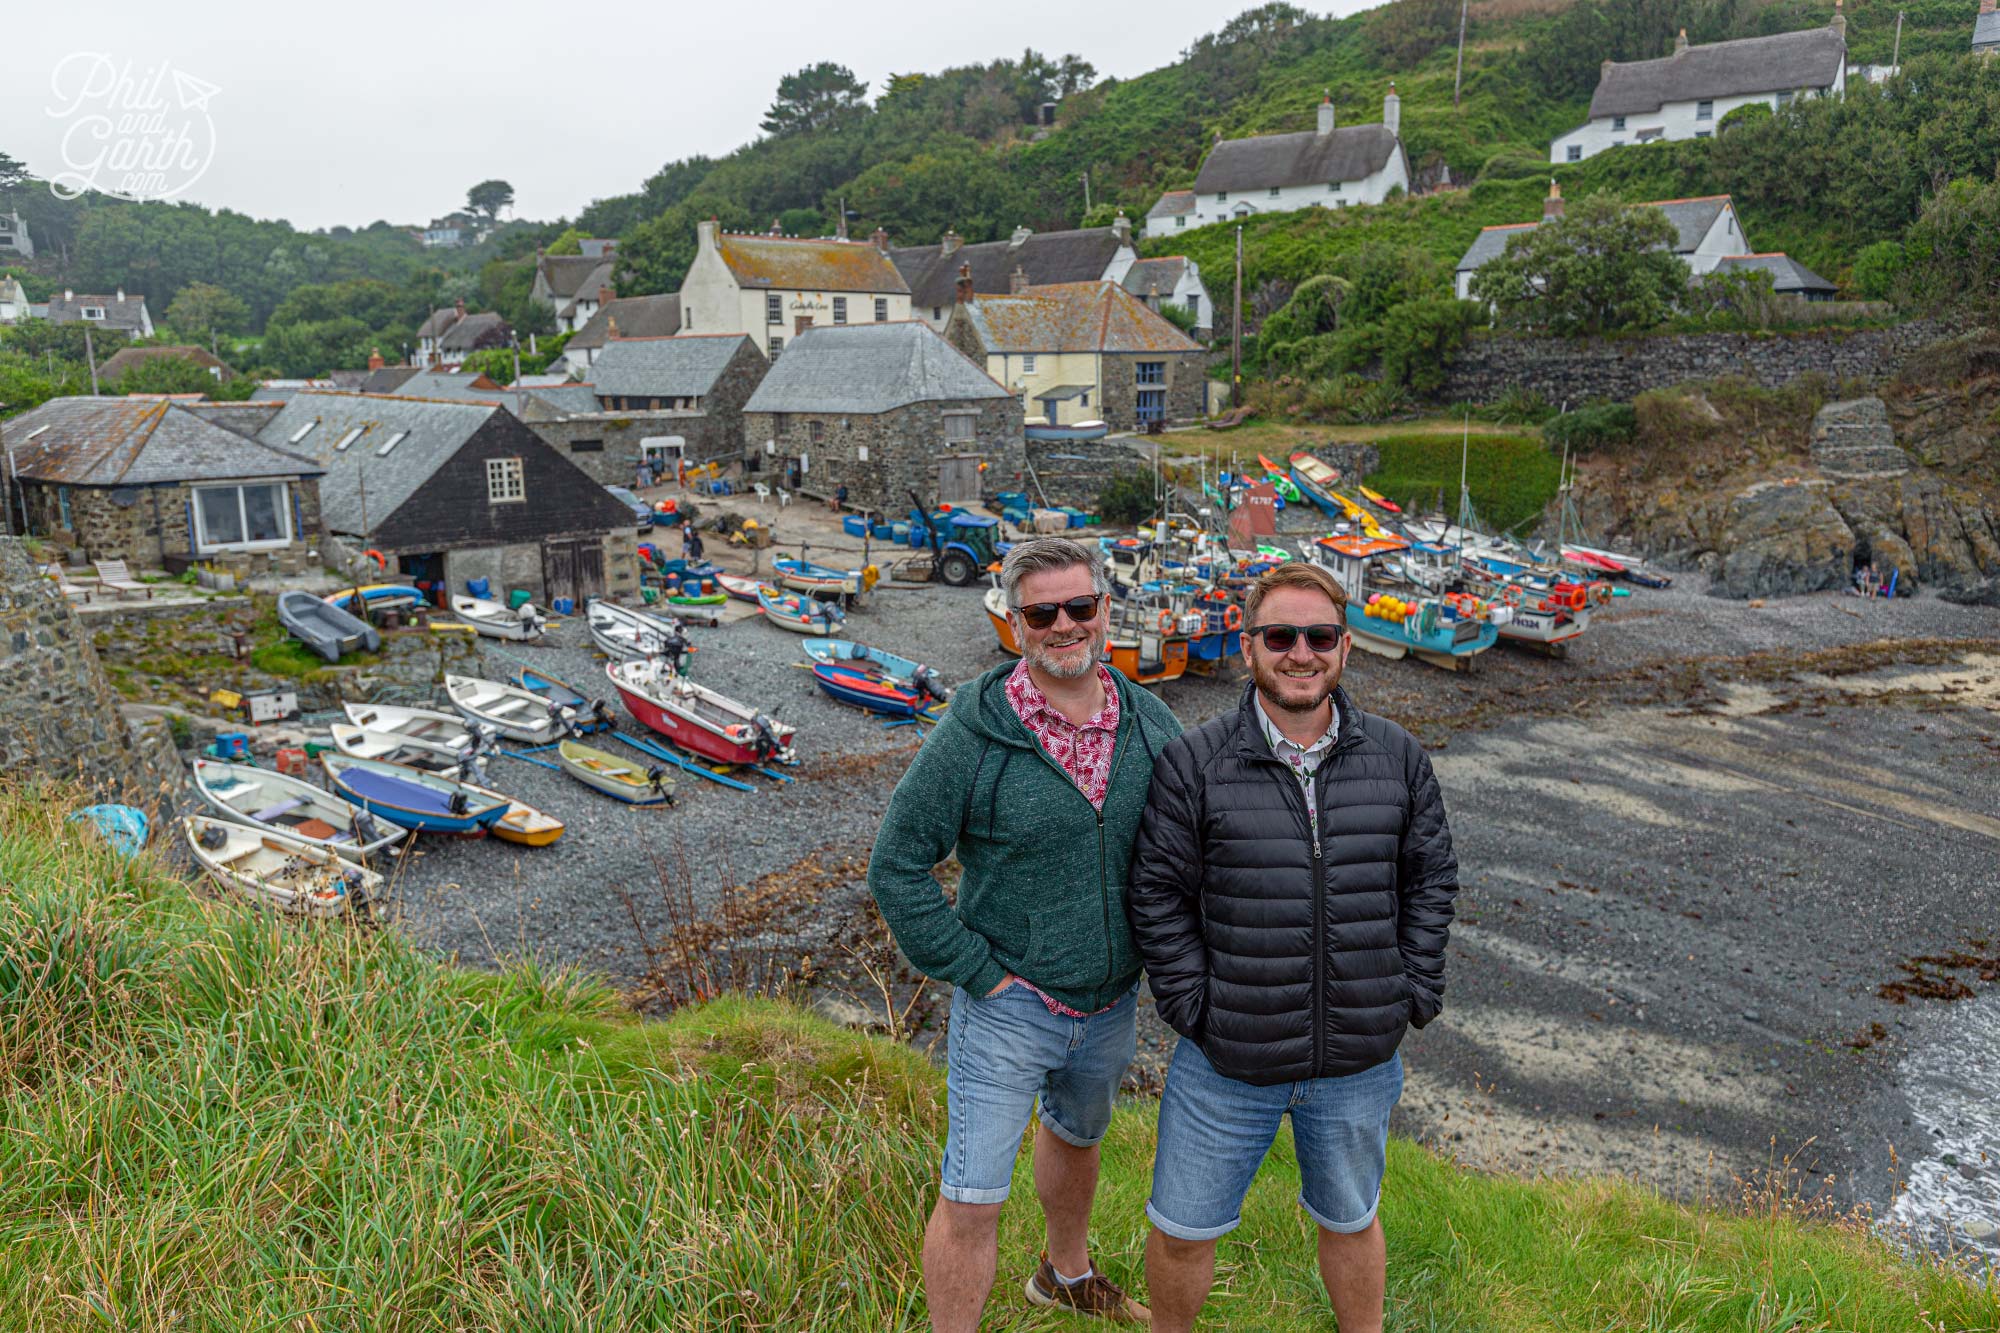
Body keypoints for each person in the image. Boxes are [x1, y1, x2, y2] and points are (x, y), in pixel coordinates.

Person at [1126, 561, 1459, 1333]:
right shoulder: (1195, 762)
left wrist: (1412, 989)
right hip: (1228, 1057)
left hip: (1358, 1059)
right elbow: (1158, 892)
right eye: (1280, 635)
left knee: (1352, 1219)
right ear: (1250, 647)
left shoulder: (1400, 757)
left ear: (1346, 647)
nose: (1299, 652)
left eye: (1318, 636)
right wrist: (1195, 1007)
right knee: (1181, 1229)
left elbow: (1431, 876)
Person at [868, 536, 1182, 1330]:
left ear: (1107, 611)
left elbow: (1200, 846)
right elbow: (897, 864)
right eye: (1043, 612)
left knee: (1077, 1138)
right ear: (1015, 621)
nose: (1065, 625)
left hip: (1109, 1002)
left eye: (1081, 606)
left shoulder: (1152, 724)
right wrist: (973, 967)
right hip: (1006, 1005)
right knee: (972, 1198)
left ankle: (1064, 1274)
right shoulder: (971, 733)